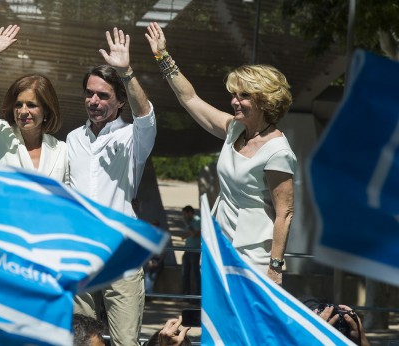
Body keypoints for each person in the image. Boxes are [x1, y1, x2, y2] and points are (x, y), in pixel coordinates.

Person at [145, 22, 296, 285]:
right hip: (219, 245)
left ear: (265, 100)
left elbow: (285, 213)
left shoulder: (278, 150)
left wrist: (275, 267)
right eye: (234, 95)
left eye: (244, 95)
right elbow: (190, 99)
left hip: (254, 256)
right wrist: (163, 56)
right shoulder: (234, 129)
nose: (235, 101)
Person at [0, 24, 68, 345]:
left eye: (32, 105)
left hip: (41, 261)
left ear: (46, 109)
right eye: (19, 104)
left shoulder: (62, 150)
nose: (24, 111)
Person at [68, 27, 156, 346]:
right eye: (90, 93)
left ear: (119, 102)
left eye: (103, 95)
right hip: (80, 255)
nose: (94, 100)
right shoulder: (72, 139)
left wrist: (127, 72)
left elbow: (146, 116)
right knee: (80, 341)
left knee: (125, 343)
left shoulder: (132, 137)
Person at [180, 206, 200, 296]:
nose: (183, 216)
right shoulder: (189, 222)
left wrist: (187, 225)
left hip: (194, 251)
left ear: (190, 213)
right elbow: (185, 235)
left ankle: (196, 296)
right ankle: (185, 296)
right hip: (187, 250)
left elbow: (194, 234)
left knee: (195, 274)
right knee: (185, 274)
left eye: (185, 214)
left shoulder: (197, 221)